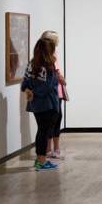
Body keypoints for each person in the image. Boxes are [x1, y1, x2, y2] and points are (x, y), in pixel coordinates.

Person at [21, 37, 61, 170]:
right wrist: (35, 93)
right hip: (48, 104)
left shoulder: (31, 64)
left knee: (41, 131)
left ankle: (40, 159)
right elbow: (47, 86)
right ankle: (42, 162)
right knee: (44, 132)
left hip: (36, 105)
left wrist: (29, 92)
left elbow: (24, 84)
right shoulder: (48, 66)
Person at [41, 31, 66, 161]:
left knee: (56, 120)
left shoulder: (52, 56)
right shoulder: (47, 59)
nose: (58, 43)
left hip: (58, 93)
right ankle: (49, 150)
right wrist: (61, 77)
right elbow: (57, 75)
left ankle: (55, 149)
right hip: (53, 93)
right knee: (52, 122)